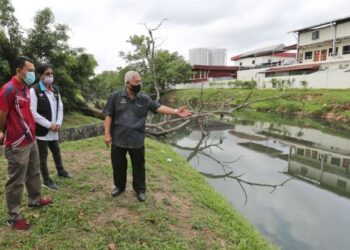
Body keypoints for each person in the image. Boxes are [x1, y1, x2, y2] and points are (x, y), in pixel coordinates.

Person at [103, 70, 192, 202]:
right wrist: (107, 134)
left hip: (137, 139)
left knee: (139, 166)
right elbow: (108, 115)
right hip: (119, 138)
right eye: (137, 82)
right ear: (128, 83)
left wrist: (175, 111)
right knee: (118, 165)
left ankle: (140, 190)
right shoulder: (115, 97)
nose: (140, 84)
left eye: (140, 81)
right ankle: (119, 187)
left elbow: (158, 107)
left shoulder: (144, 98)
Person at [0, 56, 53, 230]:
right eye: (29, 70)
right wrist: (3, 132)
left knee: (34, 171)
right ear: (18, 71)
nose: (32, 73)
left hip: (30, 138)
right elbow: (2, 115)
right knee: (16, 181)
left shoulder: (25, 88)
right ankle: (13, 217)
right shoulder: (8, 90)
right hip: (16, 143)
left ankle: (35, 199)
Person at [30, 63, 71, 190]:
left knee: (56, 151)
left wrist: (58, 122)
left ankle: (61, 171)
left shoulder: (55, 90)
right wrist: (48, 125)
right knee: (43, 156)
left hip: (55, 128)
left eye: (51, 73)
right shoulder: (34, 91)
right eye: (47, 74)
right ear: (40, 76)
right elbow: (32, 112)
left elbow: (60, 107)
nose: (50, 76)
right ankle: (46, 179)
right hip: (42, 130)